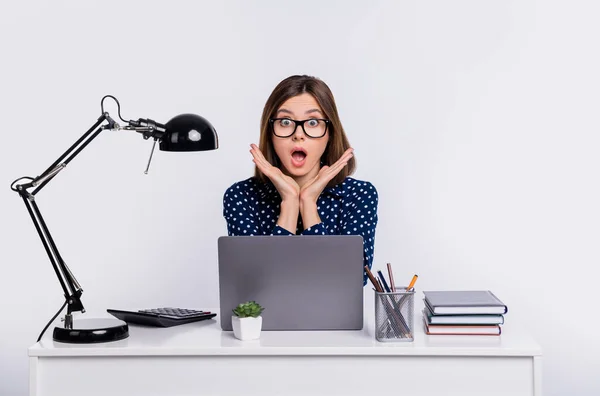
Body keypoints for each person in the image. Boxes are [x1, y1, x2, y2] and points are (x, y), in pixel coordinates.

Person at [222, 75, 378, 285]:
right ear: (270, 133)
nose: (298, 134)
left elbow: (349, 281)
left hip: (333, 319)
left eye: (312, 122)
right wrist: (289, 203)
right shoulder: (242, 196)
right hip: (263, 319)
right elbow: (252, 285)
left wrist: (308, 203)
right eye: (285, 122)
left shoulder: (359, 195)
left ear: (330, 133)